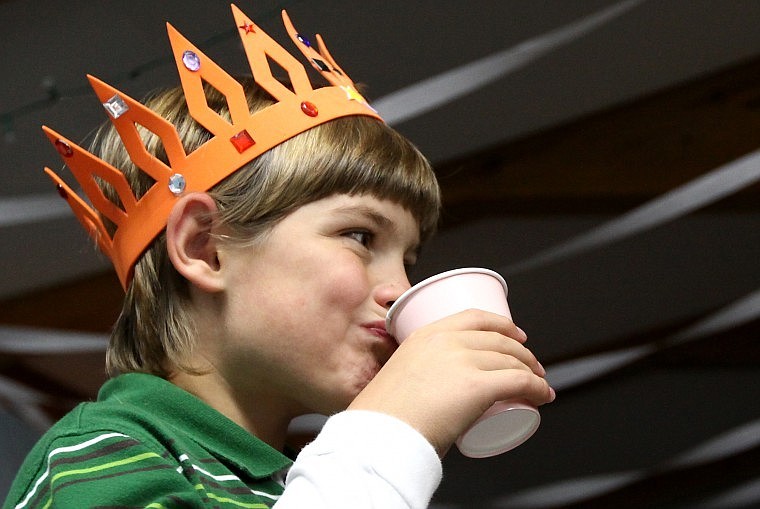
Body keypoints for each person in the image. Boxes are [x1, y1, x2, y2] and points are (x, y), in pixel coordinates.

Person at [4, 5, 555, 509]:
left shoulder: (297, 484)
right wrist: (391, 431)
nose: (399, 290)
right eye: (361, 237)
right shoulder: (98, 455)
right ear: (204, 247)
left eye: (408, 259)